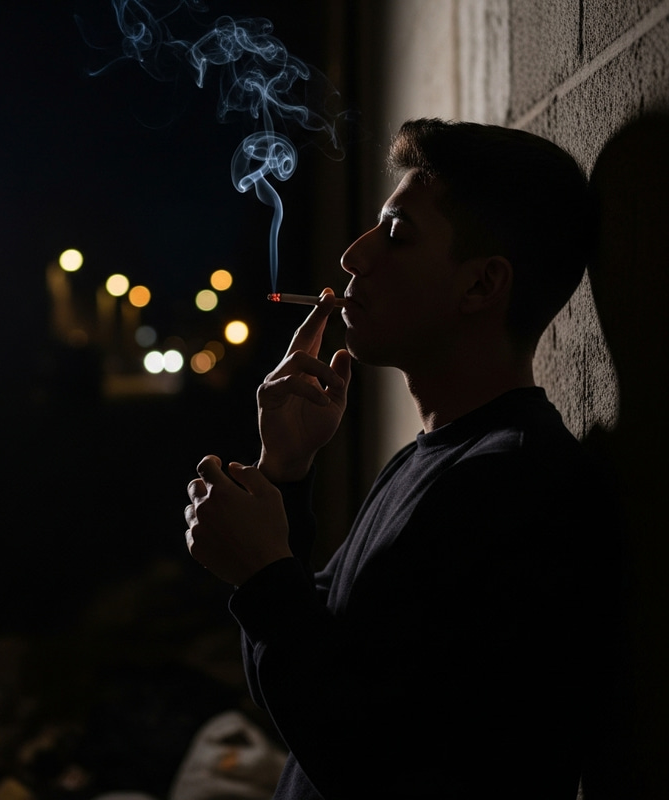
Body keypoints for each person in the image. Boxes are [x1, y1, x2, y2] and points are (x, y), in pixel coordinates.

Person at [184, 118, 621, 799]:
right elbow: (308, 666)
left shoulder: (518, 487)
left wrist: (263, 575)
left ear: (481, 287)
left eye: (395, 236)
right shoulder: (434, 461)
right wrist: (285, 474)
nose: (354, 258)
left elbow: (383, 766)